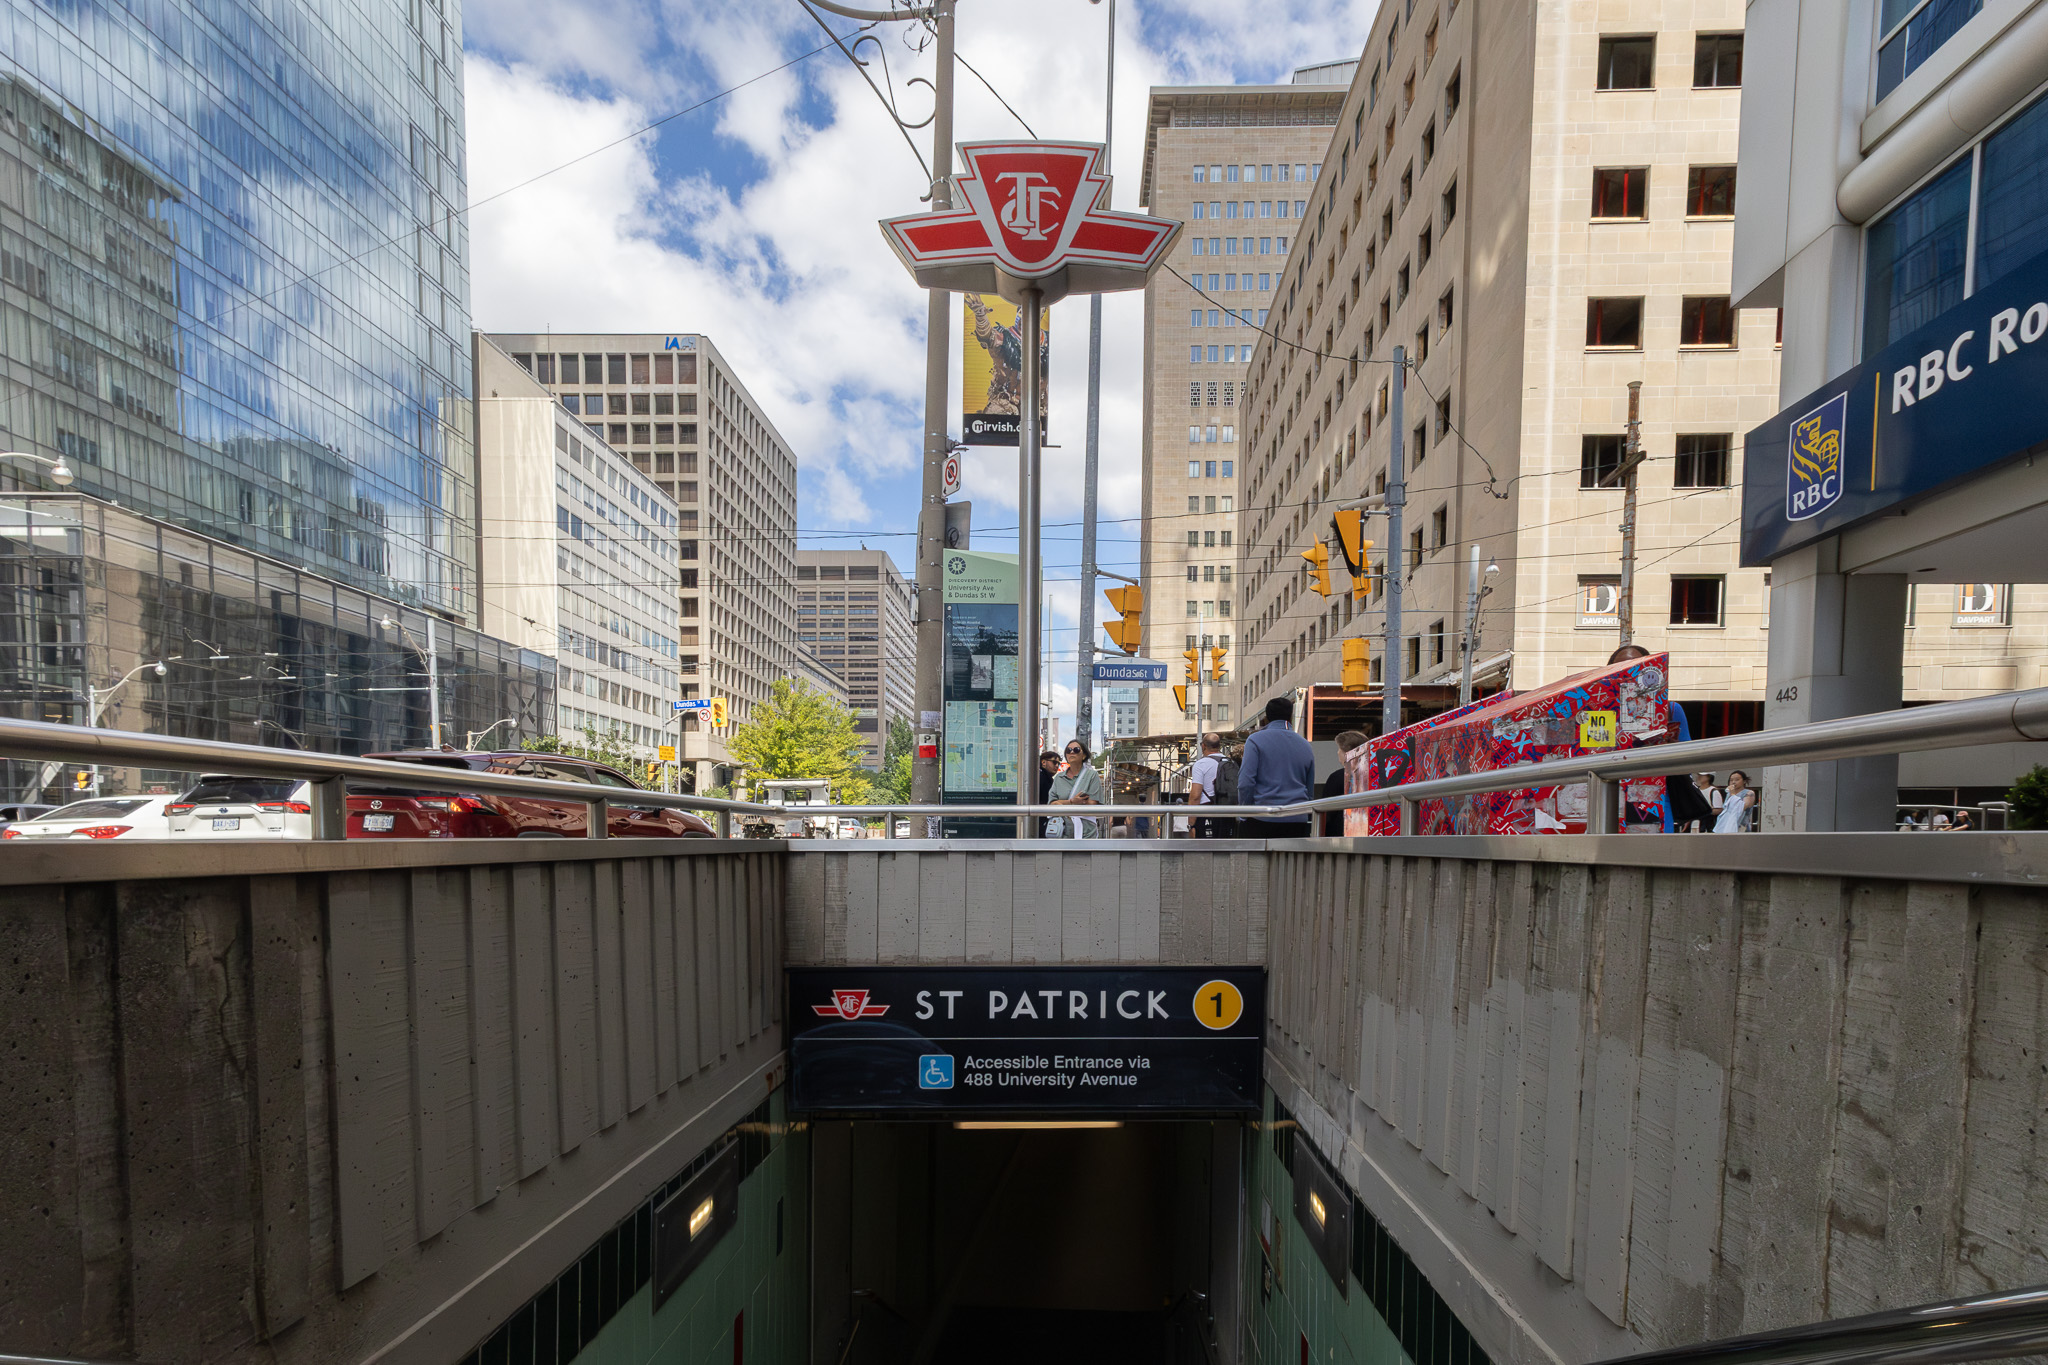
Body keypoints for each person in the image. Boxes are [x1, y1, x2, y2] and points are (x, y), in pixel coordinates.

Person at [1608, 644, 1698, 832]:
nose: (1627, 674)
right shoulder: (1596, 710)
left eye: (1635, 666)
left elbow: (1690, 759)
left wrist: (1672, 749)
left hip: (1655, 796)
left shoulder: (1671, 711)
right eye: (1619, 669)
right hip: (1608, 796)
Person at [1238, 696, 1317, 838]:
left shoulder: (1255, 740)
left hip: (1262, 816)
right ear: (1290, 716)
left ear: (1267, 717)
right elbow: (1309, 787)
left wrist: (1245, 811)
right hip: (1297, 818)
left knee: (1257, 860)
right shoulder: (1305, 745)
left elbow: (1245, 782)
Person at [1047, 740, 1105, 837]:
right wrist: (1072, 802)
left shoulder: (1091, 775)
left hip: (1086, 832)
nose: (1072, 752)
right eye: (1068, 750)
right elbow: (1052, 804)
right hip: (1062, 830)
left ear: (1084, 755)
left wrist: (1062, 803)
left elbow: (1093, 803)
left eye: (1076, 749)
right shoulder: (1059, 778)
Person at [1320, 730, 1370, 836]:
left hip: (1339, 835)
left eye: (1339, 749)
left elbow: (1326, 812)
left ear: (1347, 753)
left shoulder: (1337, 777)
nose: (1338, 752)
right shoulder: (1373, 775)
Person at [1188, 732, 1226, 838]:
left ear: (1203, 746)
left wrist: (1191, 825)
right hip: (1227, 813)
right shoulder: (1229, 762)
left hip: (1206, 814)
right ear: (1219, 746)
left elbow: (1195, 796)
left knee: (1204, 850)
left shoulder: (1201, 764)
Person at [1035, 749, 1059, 837]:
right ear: (1043, 762)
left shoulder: (1043, 776)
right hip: (1039, 820)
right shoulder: (1041, 777)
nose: (1057, 766)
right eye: (1054, 762)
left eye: (1058, 763)